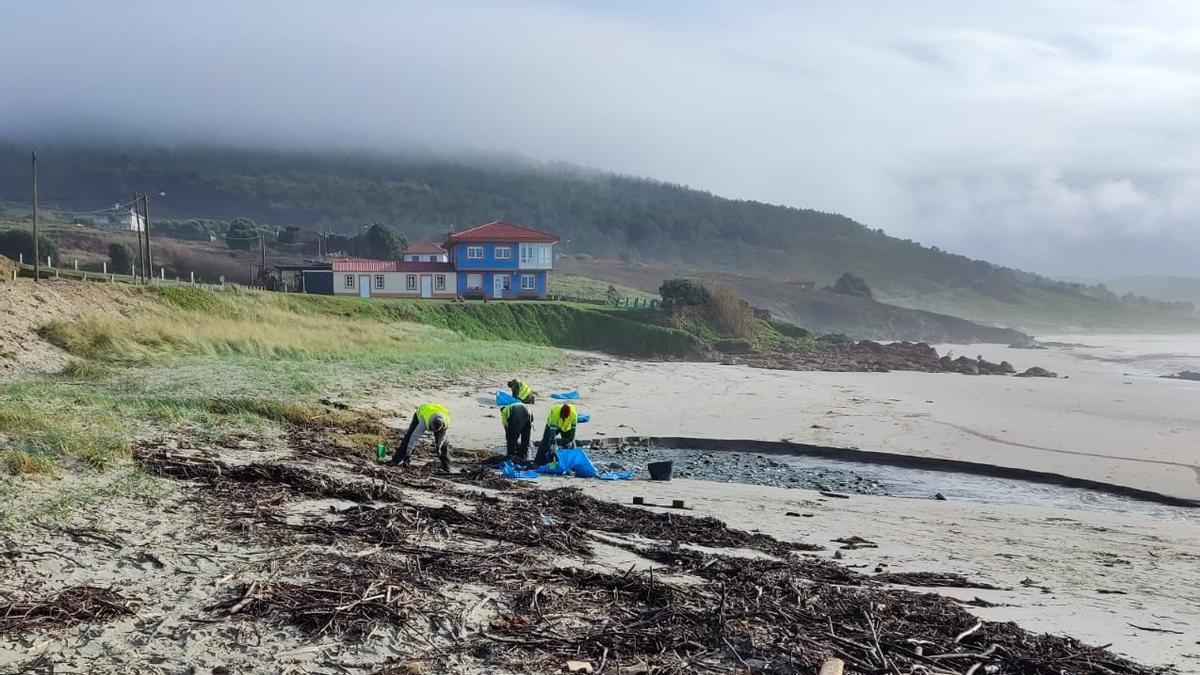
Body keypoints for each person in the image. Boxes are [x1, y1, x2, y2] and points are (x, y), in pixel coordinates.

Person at [389, 402, 451, 471]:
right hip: (423, 410)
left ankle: (446, 467)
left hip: (440, 410)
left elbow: (442, 438)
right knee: (409, 436)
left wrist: (438, 447)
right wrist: (408, 454)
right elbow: (414, 437)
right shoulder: (424, 421)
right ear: (430, 424)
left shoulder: (446, 423)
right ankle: (395, 460)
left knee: (444, 445)